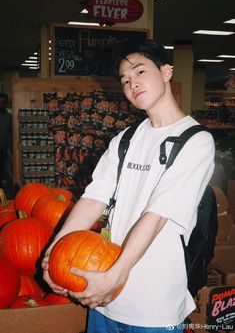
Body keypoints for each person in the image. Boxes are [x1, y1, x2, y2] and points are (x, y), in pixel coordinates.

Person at [42, 39, 215, 333]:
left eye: (139, 72)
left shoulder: (196, 141)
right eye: (125, 80)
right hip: (103, 297)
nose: (132, 83)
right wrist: (54, 251)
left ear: (166, 72)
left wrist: (116, 277)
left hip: (153, 308)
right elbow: (94, 198)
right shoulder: (125, 140)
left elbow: (158, 215)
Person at [0, 93, 12, 189]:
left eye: (3, 103)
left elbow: (9, 132)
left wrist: (7, 146)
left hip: (3, 147)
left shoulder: (8, 117)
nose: (1, 105)